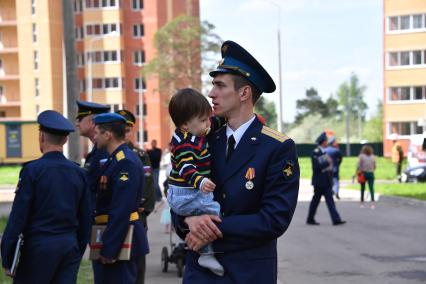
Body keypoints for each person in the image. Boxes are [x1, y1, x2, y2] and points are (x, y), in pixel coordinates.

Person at [171, 40, 300, 283]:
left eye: (220, 86)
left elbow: (274, 219)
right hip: (201, 272)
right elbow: (179, 191)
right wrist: (188, 219)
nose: (211, 93)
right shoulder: (202, 140)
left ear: (244, 93)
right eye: (212, 85)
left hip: (247, 273)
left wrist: (208, 228)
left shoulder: (276, 147)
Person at [1, 110, 91, 283]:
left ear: (41, 137)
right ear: (65, 140)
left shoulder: (32, 171)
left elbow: (18, 217)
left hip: (38, 248)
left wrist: (8, 256)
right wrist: (76, 249)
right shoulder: (79, 173)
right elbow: (86, 218)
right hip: (68, 246)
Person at [167, 88, 227, 276]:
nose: (207, 123)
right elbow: (186, 168)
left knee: (209, 215)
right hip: (187, 192)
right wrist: (200, 181)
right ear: (185, 125)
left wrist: (223, 118)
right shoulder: (185, 144)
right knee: (214, 214)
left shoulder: (196, 132)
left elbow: (212, 124)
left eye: (207, 118)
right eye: (203, 120)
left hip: (184, 192)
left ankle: (202, 248)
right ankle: (206, 253)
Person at [91, 113, 149, 283]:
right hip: (113, 236)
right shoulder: (116, 159)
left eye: (97, 132)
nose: (94, 137)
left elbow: (121, 209)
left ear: (108, 135)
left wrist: (110, 249)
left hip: (120, 240)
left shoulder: (125, 162)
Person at [116, 109, 155, 284]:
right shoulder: (107, 156)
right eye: (121, 129)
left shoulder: (140, 155)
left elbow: (148, 189)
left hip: (136, 218)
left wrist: (142, 214)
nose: (125, 133)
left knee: (136, 268)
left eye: (127, 129)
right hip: (111, 220)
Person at [75, 100, 110, 211]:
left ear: (92, 122)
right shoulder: (96, 152)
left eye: (80, 119)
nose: (77, 124)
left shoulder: (104, 151)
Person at [306, 132, 346, 226]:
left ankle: (336, 219)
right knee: (316, 201)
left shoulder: (323, 152)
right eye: (326, 141)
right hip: (319, 181)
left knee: (329, 200)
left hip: (326, 180)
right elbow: (316, 167)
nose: (327, 142)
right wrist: (328, 163)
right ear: (323, 142)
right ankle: (310, 219)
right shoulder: (316, 152)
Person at [357, 145, 376, 209]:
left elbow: (359, 165)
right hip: (371, 173)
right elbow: (374, 166)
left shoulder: (361, 156)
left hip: (363, 173)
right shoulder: (373, 157)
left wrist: (358, 171)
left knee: (362, 188)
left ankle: (362, 203)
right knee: (371, 188)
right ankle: (372, 203)